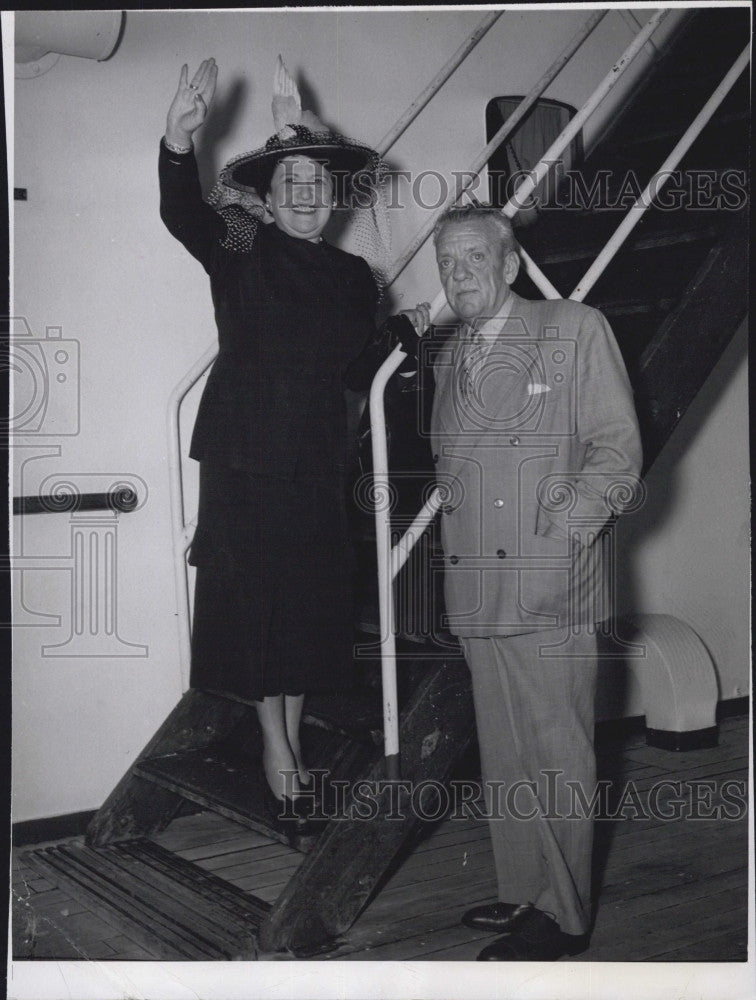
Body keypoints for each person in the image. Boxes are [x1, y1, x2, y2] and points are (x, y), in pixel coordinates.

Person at [159, 58, 429, 821]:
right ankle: (277, 743)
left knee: (306, 605)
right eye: (290, 184)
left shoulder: (351, 275)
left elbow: (359, 364)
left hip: (315, 456)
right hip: (245, 455)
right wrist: (179, 141)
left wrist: (405, 332)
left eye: (317, 183)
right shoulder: (242, 246)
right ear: (269, 201)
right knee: (255, 603)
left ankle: (290, 737)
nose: (306, 196)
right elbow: (185, 212)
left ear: (330, 197)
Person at [414, 205, 642, 960]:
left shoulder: (573, 329)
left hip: (549, 587)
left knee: (559, 756)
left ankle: (566, 919)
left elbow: (616, 454)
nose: (459, 274)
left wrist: (564, 539)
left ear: (510, 264)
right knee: (507, 753)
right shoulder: (449, 357)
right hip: (478, 591)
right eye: (448, 263)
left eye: (474, 257)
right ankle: (525, 893)